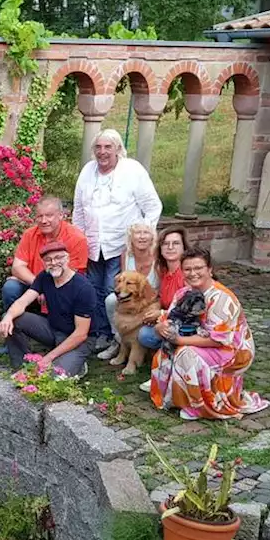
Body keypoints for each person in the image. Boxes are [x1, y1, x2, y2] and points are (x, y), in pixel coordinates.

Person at [149, 247, 269, 420]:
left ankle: (200, 407)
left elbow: (218, 341)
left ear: (209, 269)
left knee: (186, 354)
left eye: (198, 268)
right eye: (188, 269)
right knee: (165, 352)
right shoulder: (183, 293)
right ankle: (174, 398)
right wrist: (160, 327)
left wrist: (179, 340)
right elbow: (169, 318)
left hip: (233, 349)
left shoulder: (222, 298)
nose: (193, 273)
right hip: (196, 338)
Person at [73, 128, 162, 354]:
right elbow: (78, 209)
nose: (102, 152)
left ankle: (117, 339)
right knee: (92, 291)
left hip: (120, 246)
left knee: (111, 292)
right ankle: (99, 334)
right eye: (98, 147)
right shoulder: (87, 171)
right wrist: (79, 239)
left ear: (118, 149)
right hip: (92, 245)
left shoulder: (132, 170)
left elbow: (153, 206)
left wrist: (143, 237)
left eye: (108, 147)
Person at [0, 240, 96, 376]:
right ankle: (21, 366)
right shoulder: (44, 277)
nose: (54, 263)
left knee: (54, 375)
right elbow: (22, 302)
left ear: (68, 258)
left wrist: (48, 358)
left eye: (58, 258)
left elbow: (81, 334)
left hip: (79, 339)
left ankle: (77, 365)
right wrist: (8, 317)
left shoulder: (83, 288)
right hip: (54, 330)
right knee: (13, 318)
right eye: (48, 260)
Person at [3, 196, 89, 310]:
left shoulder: (77, 238)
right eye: (40, 216)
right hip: (34, 286)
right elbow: (17, 267)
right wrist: (39, 286)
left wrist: (48, 290)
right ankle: (16, 324)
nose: (43, 221)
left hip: (63, 290)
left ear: (61, 216)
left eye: (49, 215)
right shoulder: (29, 234)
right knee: (11, 288)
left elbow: (72, 277)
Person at [134, 226, 190, 391]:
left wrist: (161, 314)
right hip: (169, 318)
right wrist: (156, 309)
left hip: (187, 323)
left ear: (184, 248)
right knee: (144, 331)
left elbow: (187, 310)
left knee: (148, 334)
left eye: (175, 244)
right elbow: (162, 297)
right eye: (166, 244)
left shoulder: (187, 273)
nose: (170, 247)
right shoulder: (164, 270)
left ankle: (166, 373)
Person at [97, 221, 158, 360]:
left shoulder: (158, 257)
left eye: (146, 233)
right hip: (132, 297)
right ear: (131, 237)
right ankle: (117, 340)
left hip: (152, 299)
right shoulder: (126, 255)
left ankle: (140, 348)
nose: (141, 237)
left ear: (152, 237)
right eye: (138, 233)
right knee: (111, 300)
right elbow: (124, 282)